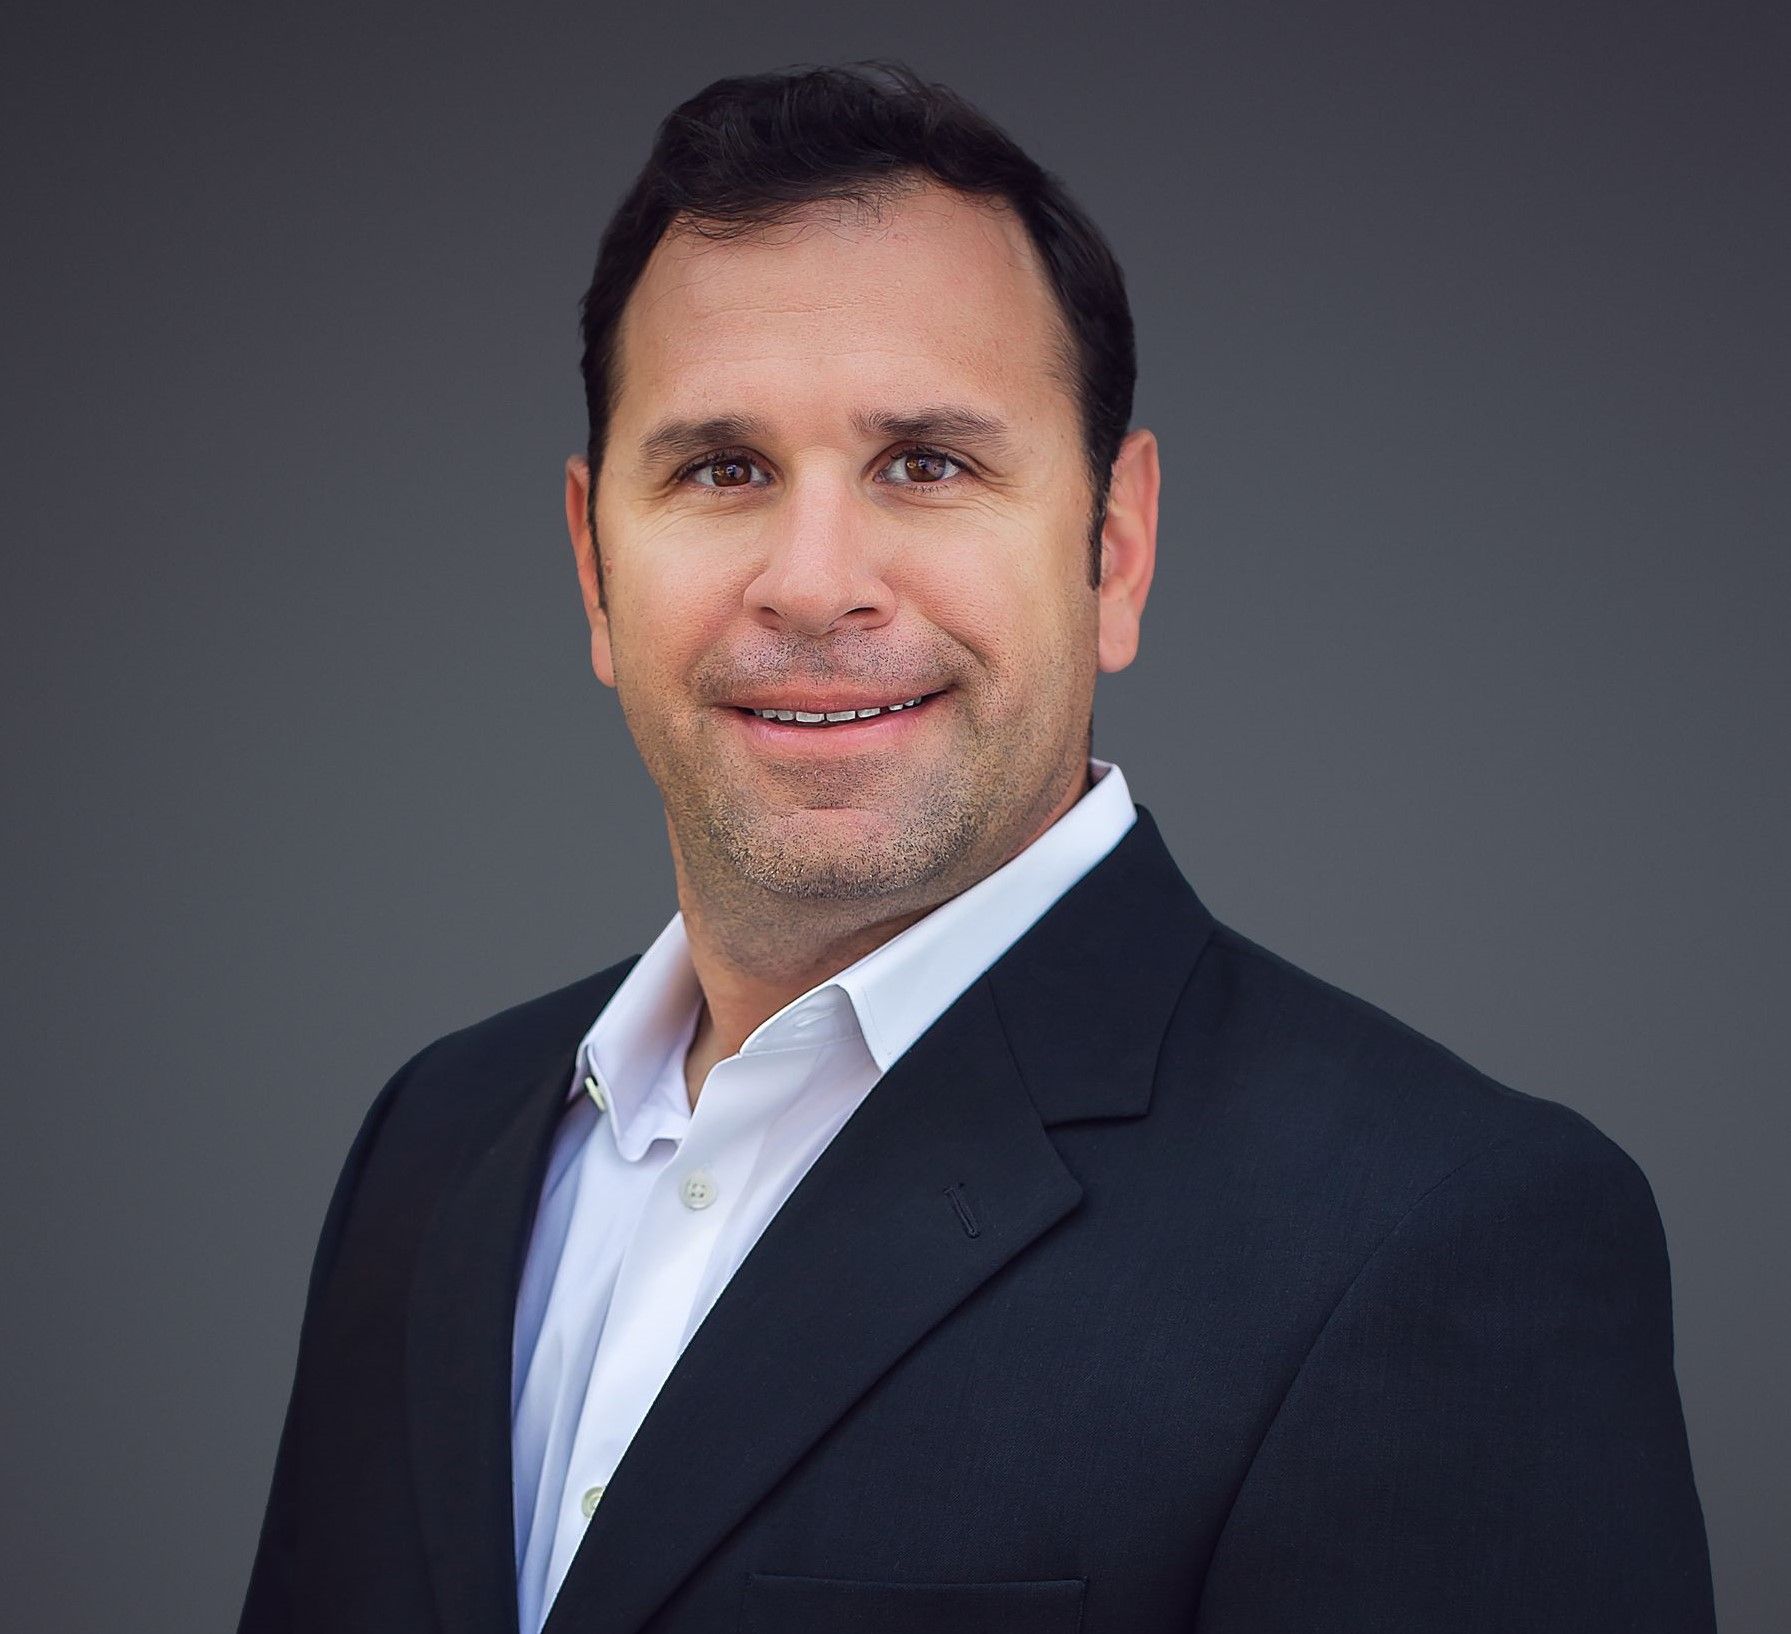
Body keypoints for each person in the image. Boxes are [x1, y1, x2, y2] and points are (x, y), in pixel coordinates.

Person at [237, 62, 1715, 1634]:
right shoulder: (432, 1145)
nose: (814, 584)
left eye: (927, 463)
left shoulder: (1442, 1236)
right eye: (723, 468)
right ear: (596, 570)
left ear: (1115, 547)